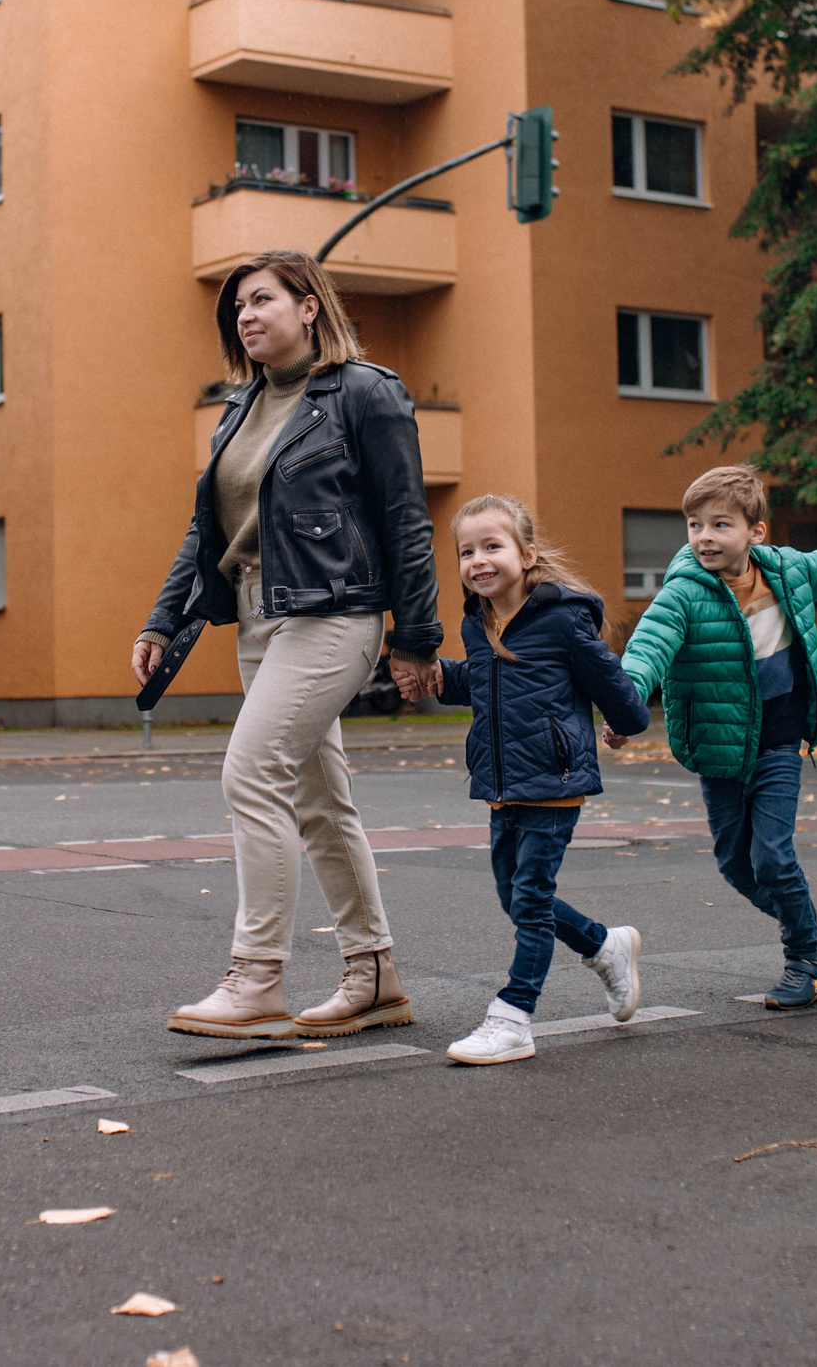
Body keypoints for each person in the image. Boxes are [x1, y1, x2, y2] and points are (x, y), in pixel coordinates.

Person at [136, 251, 442, 1039]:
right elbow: (208, 529)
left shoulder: (364, 393)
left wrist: (417, 637)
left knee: (252, 769)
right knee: (317, 800)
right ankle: (374, 975)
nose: (244, 314)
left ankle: (256, 977)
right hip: (259, 614)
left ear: (310, 307)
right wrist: (162, 620)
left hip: (337, 612)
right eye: (236, 305)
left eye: (262, 298)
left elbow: (407, 520)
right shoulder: (239, 408)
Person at [609, 466, 817, 1009]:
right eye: (694, 524)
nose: (704, 536)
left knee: (772, 858)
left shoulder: (789, 573)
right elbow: (645, 652)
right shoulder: (682, 596)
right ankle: (810, 930)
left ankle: (804, 959)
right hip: (720, 748)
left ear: (756, 532)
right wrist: (624, 705)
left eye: (720, 524)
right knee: (735, 865)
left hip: (780, 741)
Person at [431, 495, 653, 1065]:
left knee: (528, 899)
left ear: (527, 555)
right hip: (503, 781)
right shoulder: (477, 623)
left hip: (555, 779)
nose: (479, 560)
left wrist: (625, 723)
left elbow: (610, 681)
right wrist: (436, 679)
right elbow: (482, 683)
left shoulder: (562, 618)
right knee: (516, 895)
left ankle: (512, 1016)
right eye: (466, 551)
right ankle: (605, 947)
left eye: (492, 546)